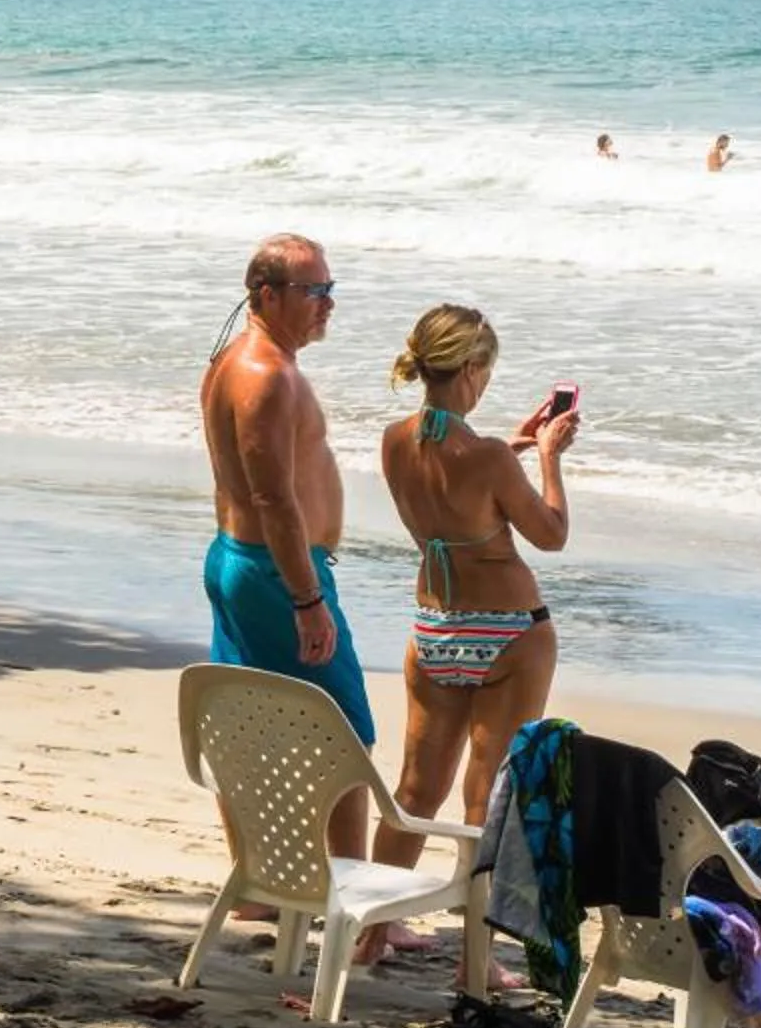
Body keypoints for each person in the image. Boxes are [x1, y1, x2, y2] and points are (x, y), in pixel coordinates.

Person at [364, 305, 577, 925]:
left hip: (435, 628)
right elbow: (553, 533)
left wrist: (508, 447)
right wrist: (549, 456)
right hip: (509, 633)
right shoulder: (488, 458)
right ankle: (474, 961)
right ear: (472, 369)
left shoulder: (395, 440)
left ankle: (374, 929)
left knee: (414, 792)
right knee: (485, 800)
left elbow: (455, 488)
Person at [198, 233, 375, 859]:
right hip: (277, 572)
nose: (328, 303)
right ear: (266, 295)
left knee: (248, 725)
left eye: (331, 289)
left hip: (241, 560)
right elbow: (273, 497)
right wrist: (307, 599)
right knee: (348, 734)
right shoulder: (265, 375)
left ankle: (255, 879)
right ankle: (351, 892)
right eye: (314, 291)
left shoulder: (234, 360)